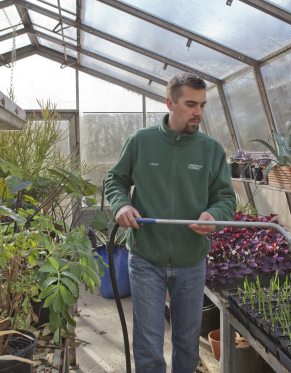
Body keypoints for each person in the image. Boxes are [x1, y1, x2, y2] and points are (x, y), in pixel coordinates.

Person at [105, 72, 236, 373]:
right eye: (191, 104)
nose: (198, 112)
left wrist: (213, 216)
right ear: (169, 103)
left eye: (202, 105)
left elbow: (226, 198)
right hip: (146, 257)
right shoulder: (141, 142)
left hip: (192, 259)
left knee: (188, 345)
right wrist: (121, 204)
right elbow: (116, 179)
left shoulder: (211, 150)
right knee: (149, 345)